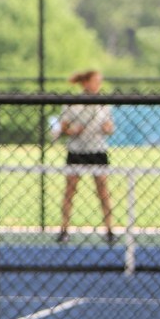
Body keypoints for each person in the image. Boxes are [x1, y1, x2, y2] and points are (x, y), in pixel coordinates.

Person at [55, 69, 116, 244]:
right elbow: (63, 128)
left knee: (103, 191)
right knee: (70, 190)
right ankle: (64, 229)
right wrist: (72, 130)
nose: (98, 85)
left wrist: (107, 129)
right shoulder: (73, 104)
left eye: (100, 81)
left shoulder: (103, 104)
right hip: (77, 151)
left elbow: (110, 126)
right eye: (95, 81)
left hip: (97, 151)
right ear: (85, 83)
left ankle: (109, 229)